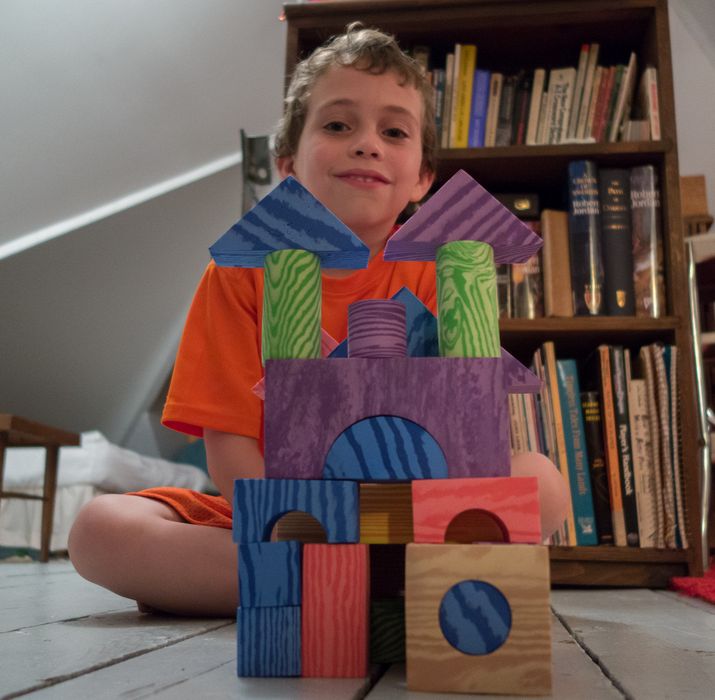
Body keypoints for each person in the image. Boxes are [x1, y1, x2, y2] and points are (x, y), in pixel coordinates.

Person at [69, 24, 569, 617]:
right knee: (100, 529)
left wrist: (421, 514)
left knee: (541, 481)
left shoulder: (444, 273)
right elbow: (229, 441)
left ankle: (335, 582)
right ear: (288, 164)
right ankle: (362, 581)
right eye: (337, 125)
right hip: (281, 509)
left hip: (418, 509)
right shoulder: (239, 273)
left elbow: (470, 443)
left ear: (422, 178)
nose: (367, 144)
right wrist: (293, 524)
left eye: (394, 131)